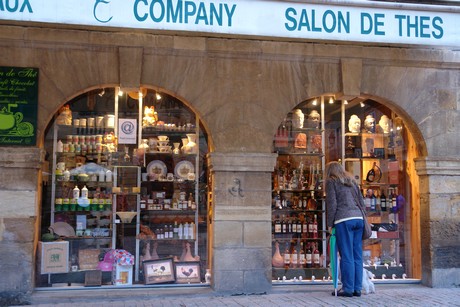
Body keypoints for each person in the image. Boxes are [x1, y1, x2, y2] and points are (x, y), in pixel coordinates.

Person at [325, 161, 364, 297]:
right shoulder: (352, 181)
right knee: (357, 255)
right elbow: (361, 202)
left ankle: (347, 288)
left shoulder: (331, 182)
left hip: (343, 220)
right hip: (358, 219)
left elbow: (332, 204)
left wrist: (330, 224)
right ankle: (357, 288)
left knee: (346, 255)